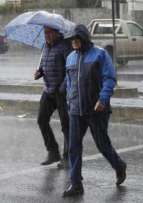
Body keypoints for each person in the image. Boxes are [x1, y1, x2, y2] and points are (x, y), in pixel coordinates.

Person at [62, 24, 127, 197]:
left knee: (102, 144)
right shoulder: (70, 58)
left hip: (97, 109)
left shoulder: (100, 54)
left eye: (76, 39)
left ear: (83, 39)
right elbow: (69, 82)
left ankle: (119, 166)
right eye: (72, 40)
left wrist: (103, 99)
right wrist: (69, 100)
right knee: (73, 147)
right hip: (76, 110)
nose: (74, 42)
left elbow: (110, 78)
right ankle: (76, 184)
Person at [34, 26, 71, 169]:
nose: (47, 36)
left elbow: (71, 69)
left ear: (57, 33)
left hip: (62, 92)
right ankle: (53, 152)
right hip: (48, 90)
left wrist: (63, 88)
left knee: (66, 126)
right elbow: (45, 65)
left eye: (50, 33)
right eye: (45, 33)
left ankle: (68, 157)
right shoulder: (45, 47)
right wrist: (40, 72)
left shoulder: (64, 47)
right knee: (41, 120)